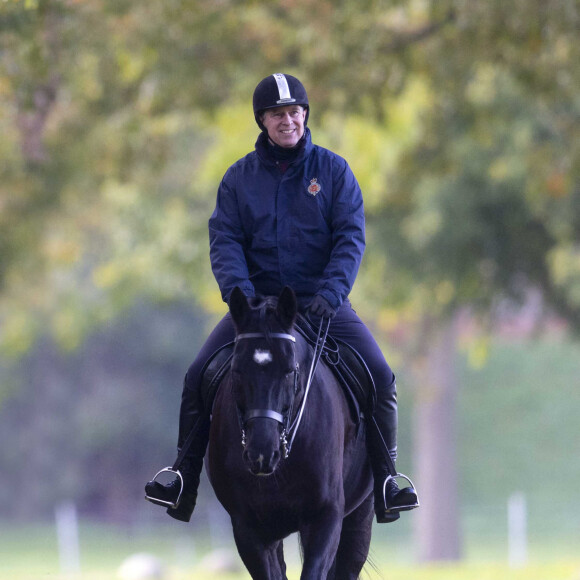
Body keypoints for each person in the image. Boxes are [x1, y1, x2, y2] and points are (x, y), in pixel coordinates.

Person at [145, 73, 418, 523]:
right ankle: (182, 479)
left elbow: (350, 237)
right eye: (277, 114)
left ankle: (389, 480)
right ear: (263, 121)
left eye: (294, 112)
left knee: (381, 376)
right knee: (198, 375)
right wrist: (243, 299)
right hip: (256, 311)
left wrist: (331, 293)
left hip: (320, 305)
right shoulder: (238, 179)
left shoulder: (334, 172)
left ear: (305, 115)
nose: (288, 121)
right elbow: (225, 240)